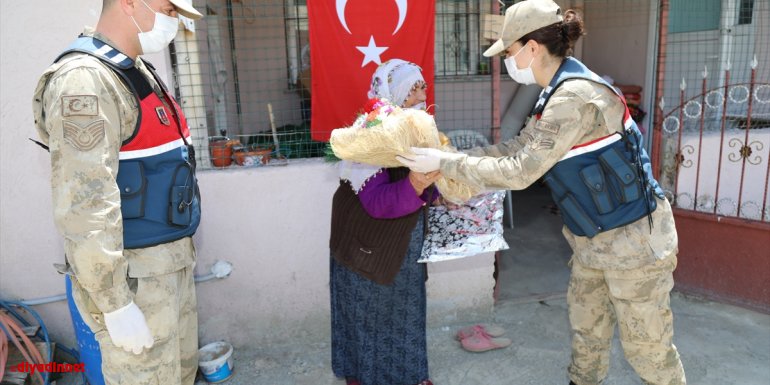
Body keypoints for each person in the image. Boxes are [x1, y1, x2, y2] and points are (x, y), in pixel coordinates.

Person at [397, 1, 687, 384]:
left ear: (532, 47)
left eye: (509, 51)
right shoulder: (555, 92)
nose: (506, 61)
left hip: (633, 245)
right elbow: (516, 148)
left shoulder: (573, 99)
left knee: (648, 351)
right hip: (593, 241)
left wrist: (448, 164)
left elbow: (520, 171)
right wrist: (449, 156)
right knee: (587, 334)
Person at [32, 1, 203, 384]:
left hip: (166, 266)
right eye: (168, 10)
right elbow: (85, 203)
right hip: (133, 281)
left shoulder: (132, 69)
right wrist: (114, 304)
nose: (172, 21)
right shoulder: (85, 80)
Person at [329, 59, 438, 385]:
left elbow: (418, 182)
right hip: (367, 249)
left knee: (405, 316)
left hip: (401, 247)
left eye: (422, 88)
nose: (420, 97)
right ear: (393, 95)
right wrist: (418, 185)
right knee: (369, 321)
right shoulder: (371, 133)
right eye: (411, 90)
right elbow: (377, 202)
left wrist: (437, 192)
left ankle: (412, 376)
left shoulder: (415, 131)